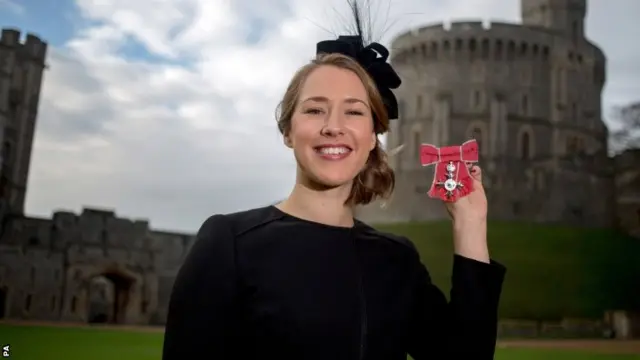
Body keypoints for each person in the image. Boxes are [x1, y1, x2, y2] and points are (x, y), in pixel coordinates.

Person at [162, 17, 506, 360]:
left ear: (373, 137)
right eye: (315, 110)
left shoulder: (397, 260)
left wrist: (470, 222)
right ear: (288, 131)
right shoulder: (230, 243)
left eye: (354, 112)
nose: (334, 127)